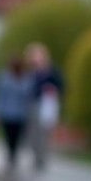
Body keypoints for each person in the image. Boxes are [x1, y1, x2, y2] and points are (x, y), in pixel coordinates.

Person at [0, 55, 34, 175]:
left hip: (20, 115)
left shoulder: (26, 79)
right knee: (8, 137)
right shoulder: (3, 78)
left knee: (17, 138)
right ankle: (9, 158)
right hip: (7, 114)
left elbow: (29, 96)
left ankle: (13, 157)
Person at [25, 42, 64, 172]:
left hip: (47, 105)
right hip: (33, 104)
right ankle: (36, 157)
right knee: (32, 134)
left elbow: (61, 86)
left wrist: (52, 89)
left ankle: (42, 159)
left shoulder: (52, 72)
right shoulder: (32, 73)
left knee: (44, 133)